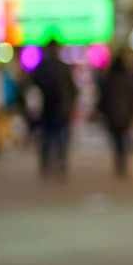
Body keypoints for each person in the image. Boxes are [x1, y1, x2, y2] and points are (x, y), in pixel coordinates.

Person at [30, 40, 77, 177]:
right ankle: (61, 164)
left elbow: (32, 88)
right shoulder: (63, 67)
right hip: (60, 109)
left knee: (47, 137)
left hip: (47, 109)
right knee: (60, 137)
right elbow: (72, 89)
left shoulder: (42, 67)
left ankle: (46, 165)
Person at [97, 53, 133, 178]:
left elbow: (103, 98)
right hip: (125, 114)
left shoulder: (109, 79)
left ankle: (119, 158)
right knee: (122, 137)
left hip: (113, 114)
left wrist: (102, 111)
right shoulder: (128, 79)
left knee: (117, 138)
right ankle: (122, 160)